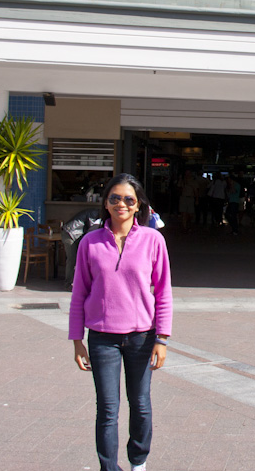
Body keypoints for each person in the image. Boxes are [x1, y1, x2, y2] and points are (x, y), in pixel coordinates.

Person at [69, 173, 173, 471]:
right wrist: (77, 340)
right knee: (107, 409)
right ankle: (109, 468)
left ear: (139, 204)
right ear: (106, 203)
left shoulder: (153, 240)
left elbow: (163, 291)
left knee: (140, 405)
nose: (121, 204)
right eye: (114, 198)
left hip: (142, 337)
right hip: (102, 338)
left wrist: (162, 338)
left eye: (129, 199)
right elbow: (79, 294)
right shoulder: (90, 242)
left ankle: (138, 461)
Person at [60, 207, 104, 291]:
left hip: (73, 234)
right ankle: (68, 284)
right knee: (72, 259)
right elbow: (91, 231)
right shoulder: (95, 215)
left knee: (77, 259)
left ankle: (75, 282)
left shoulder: (94, 213)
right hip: (70, 234)